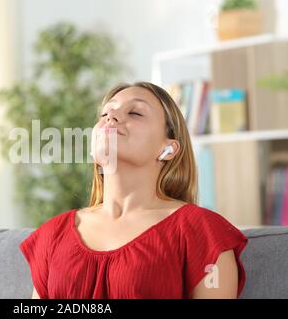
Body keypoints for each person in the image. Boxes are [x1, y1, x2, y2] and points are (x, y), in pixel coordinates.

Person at [19, 81, 248, 299]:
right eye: (105, 113)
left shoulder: (202, 232)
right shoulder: (53, 234)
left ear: (168, 148)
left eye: (135, 113)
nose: (111, 117)